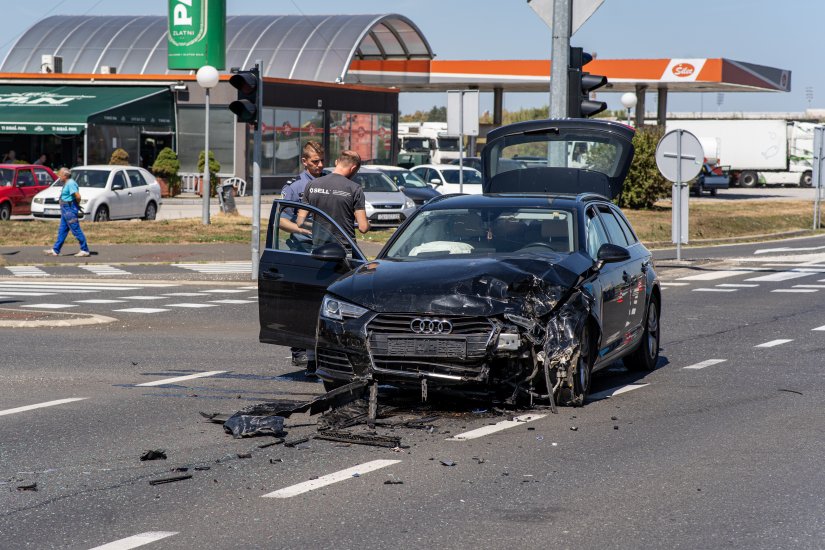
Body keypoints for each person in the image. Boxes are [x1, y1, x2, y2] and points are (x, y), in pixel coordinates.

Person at [295, 150, 370, 376]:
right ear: (354, 168)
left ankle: (311, 360)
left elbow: (300, 219)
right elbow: (364, 226)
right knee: (344, 308)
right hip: (344, 255)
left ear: (337, 162)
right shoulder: (354, 189)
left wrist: (319, 228)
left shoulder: (313, 185)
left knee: (314, 305)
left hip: (317, 253)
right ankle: (343, 359)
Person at [278, 141, 324, 371]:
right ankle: (299, 351)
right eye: (315, 161)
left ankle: (320, 351)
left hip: (326, 250)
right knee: (301, 303)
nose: (320, 165)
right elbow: (281, 219)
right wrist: (300, 230)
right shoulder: (295, 187)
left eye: (322, 160)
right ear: (304, 162)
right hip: (302, 250)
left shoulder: (328, 183)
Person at [44, 168, 90, 257]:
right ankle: (55, 250)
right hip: (65, 210)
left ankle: (85, 250)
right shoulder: (67, 183)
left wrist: (76, 205)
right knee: (62, 231)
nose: (59, 177)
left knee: (76, 230)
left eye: (60, 175)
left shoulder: (71, 183)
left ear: (65, 175)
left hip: (69, 210)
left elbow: (78, 196)